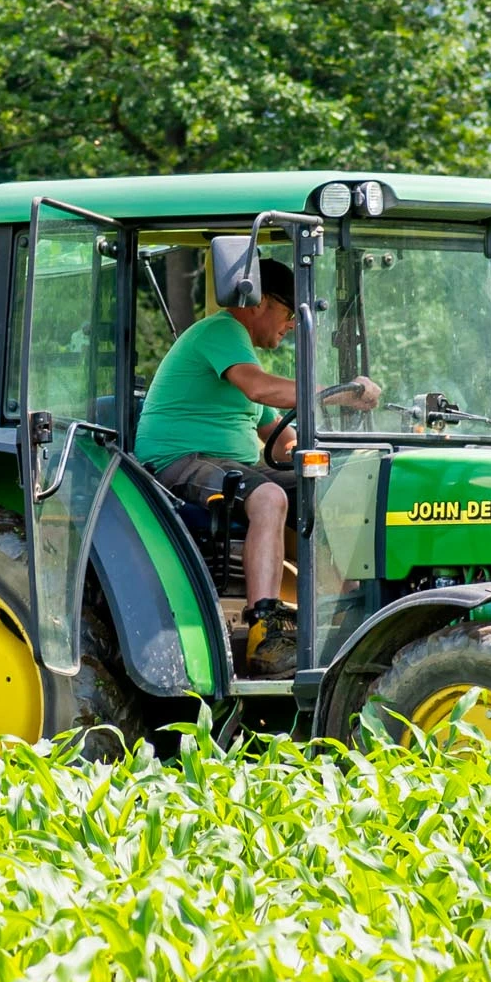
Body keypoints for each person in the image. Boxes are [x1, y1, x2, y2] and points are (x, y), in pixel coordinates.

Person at [137, 239, 373, 670]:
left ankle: (344, 610)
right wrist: (338, 393)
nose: (288, 328)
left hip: (230, 464)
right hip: (177, 461)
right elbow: (261, 388)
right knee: (268, 498)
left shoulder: (241, 353)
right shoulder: (222, 331)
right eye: (288, 316)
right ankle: (265, 629)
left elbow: (278, 436)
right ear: (260, 302)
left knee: (330, 486)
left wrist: (339, 464)